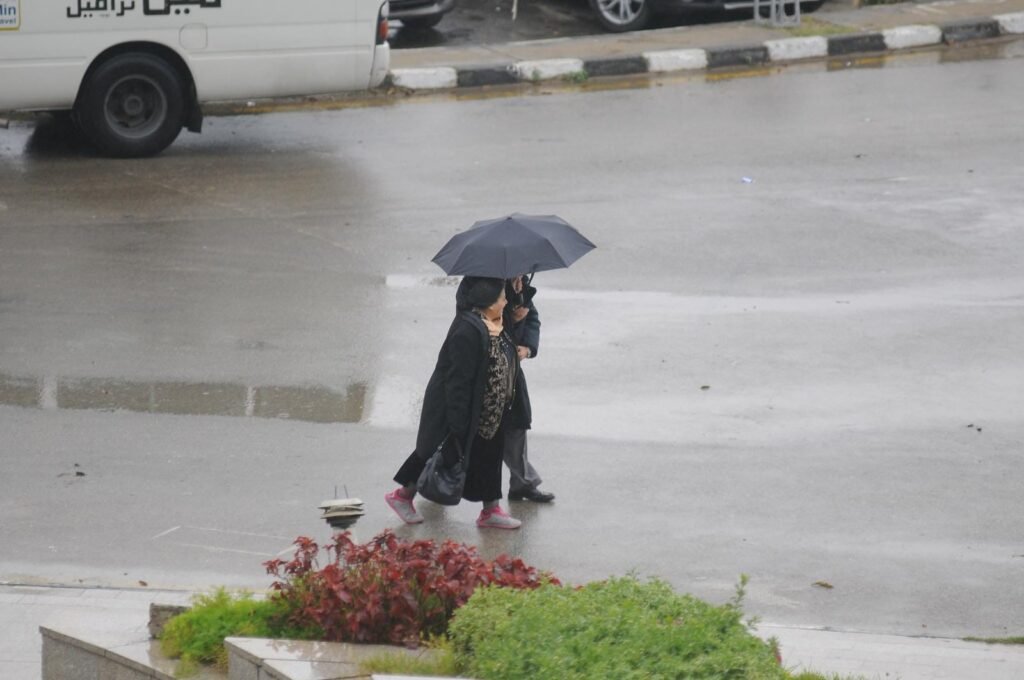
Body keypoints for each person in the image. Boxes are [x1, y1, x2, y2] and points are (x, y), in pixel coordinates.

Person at [385, 276, 523, 530]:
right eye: (502, 298)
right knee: (436, 453)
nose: (505, 302)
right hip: (459, 408)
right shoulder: (467, 331)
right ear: (489, 302)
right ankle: (402, 496)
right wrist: (458, 422)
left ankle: (491, 510)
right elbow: (457, 382)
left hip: (489, 409)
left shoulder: (493, 322)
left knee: (489, 455)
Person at [502, 275, 554, 503]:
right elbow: (481, 324)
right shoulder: (484, 285)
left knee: (517, 424)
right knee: (463, 434)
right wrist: (511, 320)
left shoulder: (521, 286)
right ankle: (426, 480)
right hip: (486, 370)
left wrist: (528, 348)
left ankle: (522, 482)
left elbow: (532, 319)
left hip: (511, 369)